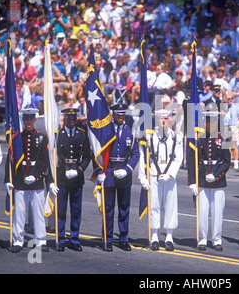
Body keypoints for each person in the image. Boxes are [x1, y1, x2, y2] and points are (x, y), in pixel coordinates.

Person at [93, 103, 139, 251]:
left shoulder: (129, 131)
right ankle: (107, 239)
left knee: (124, 208)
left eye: (122, 115)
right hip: (110, 173)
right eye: (118, 115)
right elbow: (97, 152)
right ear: (113, 115)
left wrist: (127, 169)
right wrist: (100, 171)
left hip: (124, 174)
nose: (121, 117)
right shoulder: (106, 131)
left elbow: (135, 153)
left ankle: (123, 239)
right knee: (108, 208)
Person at [4, 108, 49, 253]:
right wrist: (7, 178)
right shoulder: (17, 138)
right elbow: (10, 160)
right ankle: (18, 241)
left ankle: (41, 240)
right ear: (23, 120)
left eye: (31, 119)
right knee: (19, 213)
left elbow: (44, 161)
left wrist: (36, 176)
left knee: (38, 213)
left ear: (35, 120)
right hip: (20, 179)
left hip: (35, 179)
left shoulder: (42, 138)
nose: (28, 122)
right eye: (26, 119)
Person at [187, 104, 231, 251]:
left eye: (212, 120)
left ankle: (217, 240)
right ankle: (202, 240)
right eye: (207, 120)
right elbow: (192, 162)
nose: (210, 123)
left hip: (218, 182)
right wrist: (192, 182)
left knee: (217, 212)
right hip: (202, 180)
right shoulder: (199, 139)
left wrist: (216, 175)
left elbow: (226, 161)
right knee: (202, 212)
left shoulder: (224, 138)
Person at [138, 109, 183, 251]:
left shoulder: (176, 137)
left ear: (169, 119)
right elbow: (142, 157)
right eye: (160, 118)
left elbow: (178, 157)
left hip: (169, 175)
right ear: (156, 120)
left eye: (166, 118)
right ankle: (155, 236)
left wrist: (170, 174)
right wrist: (142, 177)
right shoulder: (149, 136)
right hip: (154, 174)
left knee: (170, 205)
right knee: (154, 205)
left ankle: (169, 237)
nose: (163, 121)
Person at [51, 108, 91, 251]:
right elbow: (54, 157)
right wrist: (59, 174)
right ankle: (60, 239)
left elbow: (87, 156)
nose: (72, 120)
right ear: (64, 119)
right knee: (61, 211)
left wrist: (79, 170)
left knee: (76, 210)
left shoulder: (82, 134)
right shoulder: (58, 135)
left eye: (74, 118)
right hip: (62, 177)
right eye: (69, 118)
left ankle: (74, 239)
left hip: (76, 178)